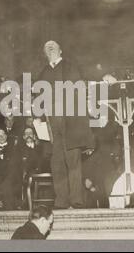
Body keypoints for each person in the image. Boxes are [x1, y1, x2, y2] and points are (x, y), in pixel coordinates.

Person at [38, 40, 95, 209]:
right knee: (57, 164)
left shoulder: (71, 67)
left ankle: (76, 200)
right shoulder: (42, 74)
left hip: (70, 121)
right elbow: (39, 100)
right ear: (44, 53)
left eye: (53, 45)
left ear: (61, 50)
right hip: (52, 124)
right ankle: (61, 201)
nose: (50, 47)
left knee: (73, 162)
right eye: (46, 46)